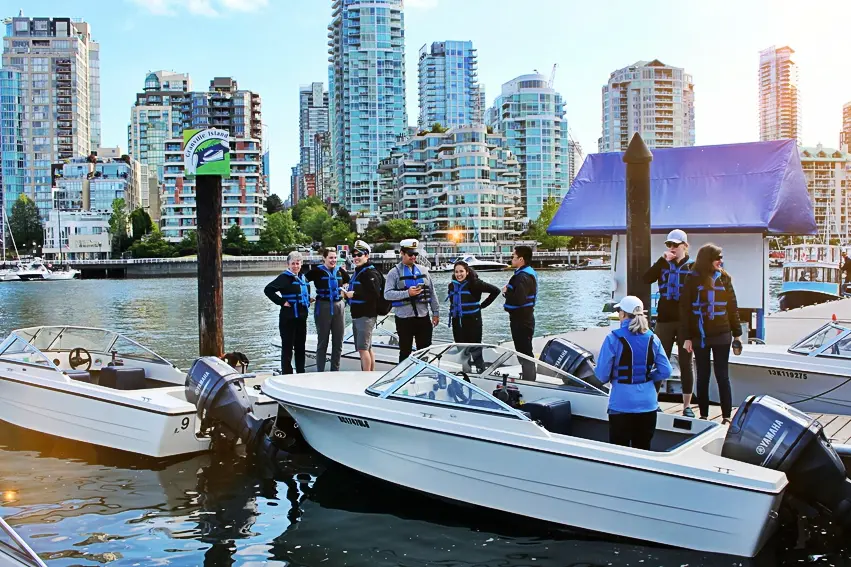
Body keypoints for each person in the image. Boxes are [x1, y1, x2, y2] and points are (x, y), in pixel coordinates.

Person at [594, 295, 673, 449]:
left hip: (621, 404)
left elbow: (602, 375)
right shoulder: (653, 338)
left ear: (622, 314)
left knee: (619, 453)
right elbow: (666, 370)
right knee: (643, 449)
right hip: (648, 405)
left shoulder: (612, 338)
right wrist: (649, 376)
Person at [680, 243, 743, 424]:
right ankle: (704, 415)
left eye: (721, 257)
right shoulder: (692, 279)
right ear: (708, 259)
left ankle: (726, 416)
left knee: (722, 375)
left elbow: (733, 308)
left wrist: (737, 335)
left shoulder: (725, 279)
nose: (721, 261)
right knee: (703, 375)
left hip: (723, 335)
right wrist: (686, 338)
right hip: (700, 336)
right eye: (718, 258)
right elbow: (684, 310)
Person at [643, 229, 695, 417]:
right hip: (664, 319)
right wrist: (662, 260)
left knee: (685, 362)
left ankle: (687, 406)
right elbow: (646, 278)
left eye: (676, 245)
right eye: (669, 245)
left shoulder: (692, 267)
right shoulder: (663, 264)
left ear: (685, 247)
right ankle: (653, 401)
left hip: (684, 322)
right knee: (657, 359)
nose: (672, 248)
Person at [384, 238, 439, 362]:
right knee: (405, 351)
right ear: (402, 253)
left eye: (415, 254)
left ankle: (423, 375)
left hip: (423, 317)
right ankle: (403, 377)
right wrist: (407, 293)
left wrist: (436, 313)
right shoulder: (394, 273)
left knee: (424, 350)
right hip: (404, 319)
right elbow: (387, 294)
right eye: (410, 254)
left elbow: (432, 293)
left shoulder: (424, 270)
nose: (413, 257)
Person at [447, 260, 501, 371]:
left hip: (473, 321)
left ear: (467, 272)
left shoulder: (475, 284)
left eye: (461, 271)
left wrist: (482, 305)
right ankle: (466, 375)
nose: (459, 274)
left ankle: (481, 371)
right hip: (457, 322)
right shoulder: (452, 286)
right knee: (462, 351)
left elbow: (496, 291)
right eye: (456, 272)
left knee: (476, 350)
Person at [264, 251, 311, 374]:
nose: (295, 266)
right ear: (288, 264)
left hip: (301, 318)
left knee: (300, 347)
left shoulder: (303, 278)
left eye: (298, 263)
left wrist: (308, 300)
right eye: (293, 263)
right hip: (287, 318)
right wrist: (282, 302)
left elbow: (305, 293)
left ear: (301, 264)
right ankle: (287, 373)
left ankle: (301, 372)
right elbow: (268, 290)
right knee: (287, 347)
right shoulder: (283, 278)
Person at [305, 247, 350, 372]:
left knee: (338, 341)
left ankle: (335, 371)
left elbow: (349, 281)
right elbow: (303, 281)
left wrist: (345, 290)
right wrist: (307, 296)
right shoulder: (317, 271)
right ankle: (320, 371)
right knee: (322, 341)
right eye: (330, 257)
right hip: (323, 306)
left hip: (339, 306)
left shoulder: (340, 271)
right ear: (324, 258)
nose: (333, 260)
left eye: (335, 257)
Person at [343, 240, 383, 371]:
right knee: (367, 348)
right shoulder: (360, 271)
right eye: (353, 255)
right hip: (359, 314)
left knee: (362, 349)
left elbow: (374, 294)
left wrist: (354, 295)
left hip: (366, 315)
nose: (356, 258)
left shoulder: (369, 273)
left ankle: (366, 377)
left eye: (359, 255)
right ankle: (370, 375)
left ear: (367, 255)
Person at [503, 245, 538, 381]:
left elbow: (519, 299)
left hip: (522, 320)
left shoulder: (522, 277)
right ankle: (528, 376)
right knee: (524, 350)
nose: (511, 258)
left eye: (513, 256)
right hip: (525, 318)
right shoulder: (527, 274)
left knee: (524, 351)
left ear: (521, 259)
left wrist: (506, 292)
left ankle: (529, 380)